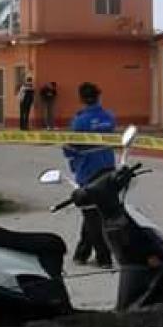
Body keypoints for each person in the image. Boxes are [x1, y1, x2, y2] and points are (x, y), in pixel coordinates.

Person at [62, 82, 116, 268]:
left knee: (91, 215)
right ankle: (82, 253)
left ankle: (104, 257)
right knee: (96, 212)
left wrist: (72, 160)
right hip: (108, 169)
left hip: (88, 171)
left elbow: (70, 147)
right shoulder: (109, 117)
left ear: (81, 99)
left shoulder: (80, 121)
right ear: (99, 96)